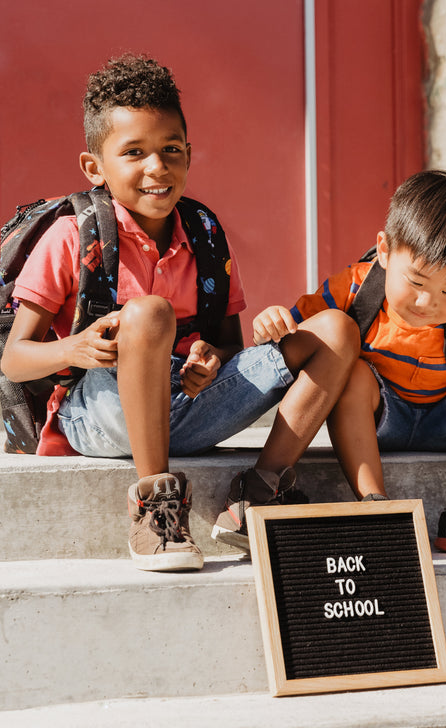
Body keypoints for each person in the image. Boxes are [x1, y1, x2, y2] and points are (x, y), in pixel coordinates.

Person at [1, 54, 360, 571]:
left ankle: (257, 492)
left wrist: (210, 358)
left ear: (189, 154)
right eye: (134, 153)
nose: (157, 167)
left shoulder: (206, 233)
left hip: (189, 408)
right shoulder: (71, 237)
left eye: (171, 150)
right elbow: (13, 361)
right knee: (148, 314)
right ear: (94, 167)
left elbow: (229, 345)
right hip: (99, 414)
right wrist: (76, 347)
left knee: (334, 329)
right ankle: (156, 505)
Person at [245, 171, 446, 555]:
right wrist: (271, 324)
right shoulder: (356, 290)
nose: (428, 303)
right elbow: (301, 337)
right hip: (377, 415)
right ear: (385, 251)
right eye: (417, 281)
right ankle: (376, 504)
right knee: (351, 372)